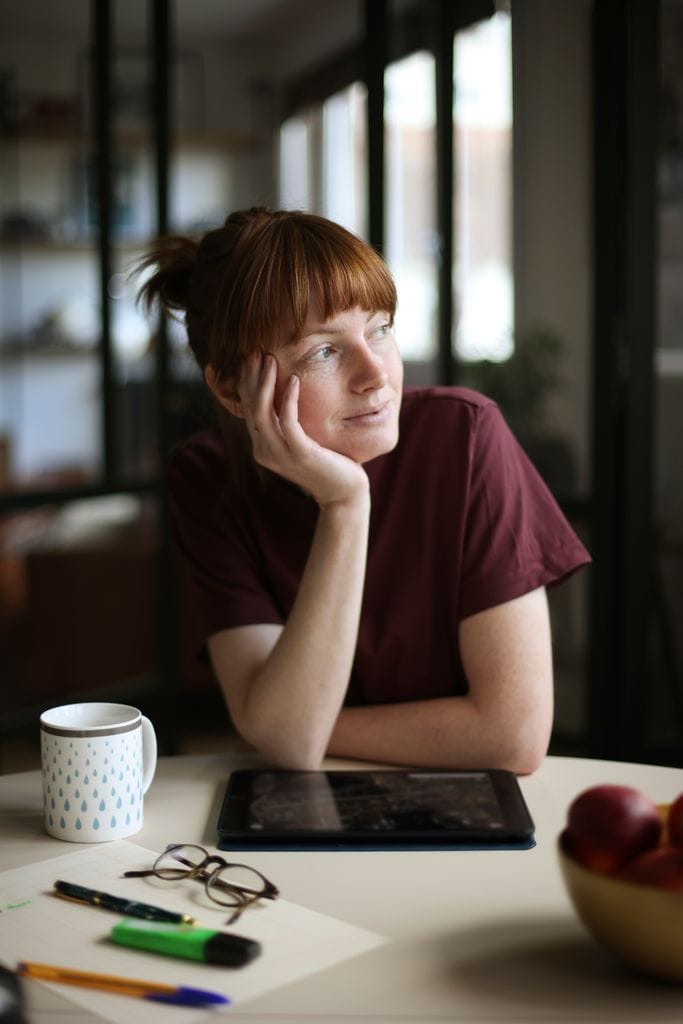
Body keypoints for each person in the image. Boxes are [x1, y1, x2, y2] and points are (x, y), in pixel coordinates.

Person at [137, 206, 591, 774]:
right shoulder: (208, 478)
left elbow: (513, 736)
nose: (376, 373)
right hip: (306, 814)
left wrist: (298, 724)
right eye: (324, 351)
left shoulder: (465, 437)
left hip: (470, 811)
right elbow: (286, 745)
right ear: (232, 389)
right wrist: (345, 504)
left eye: (380, 329)